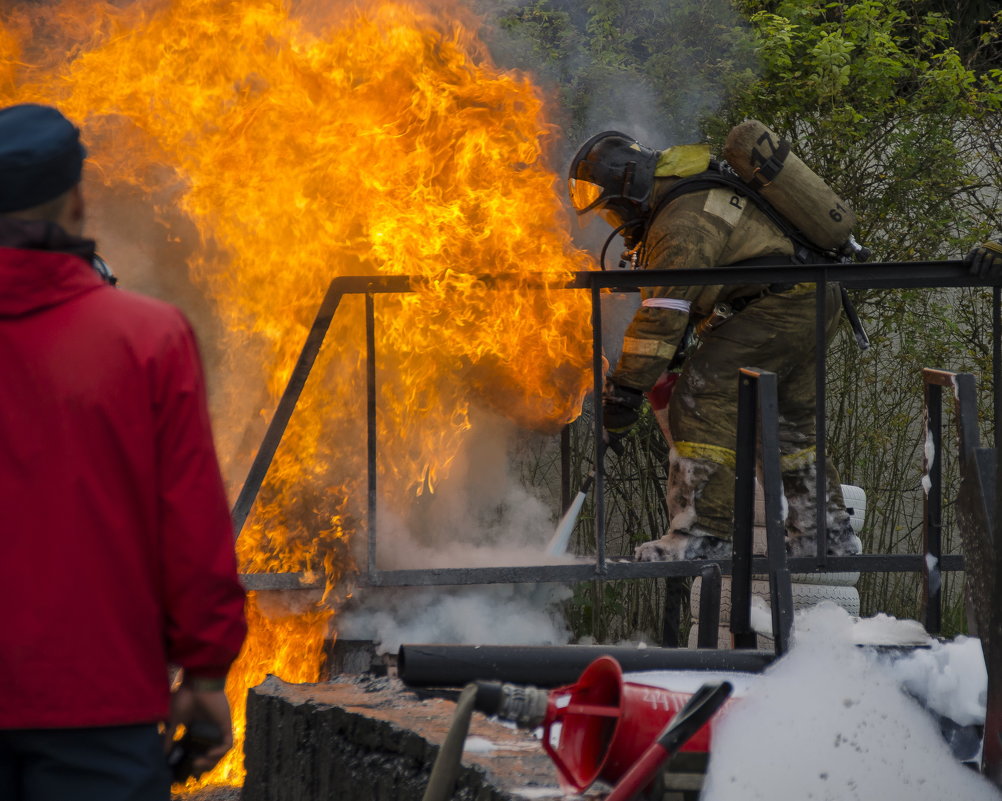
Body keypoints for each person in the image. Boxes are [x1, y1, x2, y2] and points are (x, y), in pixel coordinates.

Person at [0, 103, 247, 800]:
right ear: (77, 200)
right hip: (101, 715)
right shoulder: (147, 340)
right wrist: (203, 676)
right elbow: (194, 536)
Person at [567, 130, 862, 561]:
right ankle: (827, 533)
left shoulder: (682, 220)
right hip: (811, 298)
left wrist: (625, 391)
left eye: (612, 207)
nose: (613, 219)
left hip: (781, 305)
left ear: (629, 190)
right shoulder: (694, 194)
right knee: (789, 425)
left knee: (701, 395)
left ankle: (704, 533)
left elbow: (663, 314)